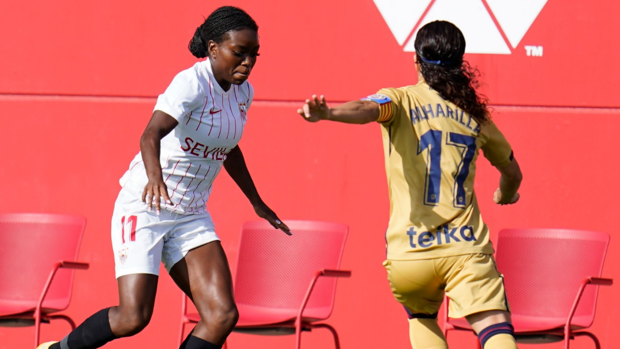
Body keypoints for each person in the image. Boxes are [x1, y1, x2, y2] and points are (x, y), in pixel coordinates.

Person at [38, 6, 290, 349]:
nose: (247, 62)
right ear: (214, 49)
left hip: (191, 213)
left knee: (221, 315)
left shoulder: (243, 92)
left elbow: (229, 148)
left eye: (253, 55)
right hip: (146, 204)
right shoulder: (191, 83)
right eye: (239, 53)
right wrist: (155, 180)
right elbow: (150, 134)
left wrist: (257, 202)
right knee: (133, 317)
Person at [297, 21, 522, 349]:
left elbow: (366, 108)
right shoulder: (476, 116)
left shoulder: (399, 100)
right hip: (464, 249)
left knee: (421, 318)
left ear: (416, 61)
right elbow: (513, 172)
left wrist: (329, 113)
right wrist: (506, 193)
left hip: (409, 254)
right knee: (494, 326)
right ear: (460, 64)